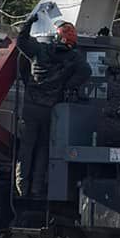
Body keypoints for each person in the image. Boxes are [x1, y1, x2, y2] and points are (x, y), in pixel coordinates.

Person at [13, 14, 90, 206]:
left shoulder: (40, 50)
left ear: (56, 36)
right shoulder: (73, 58)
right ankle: (37, 188)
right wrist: (68, 86)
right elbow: (86, 71)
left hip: (31, 108)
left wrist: (30, 22)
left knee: (26, 149)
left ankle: (21, 188)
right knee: (43, 149)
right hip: (50, 109)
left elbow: (20, 40)